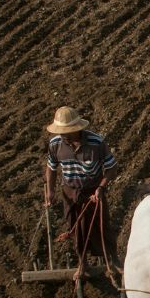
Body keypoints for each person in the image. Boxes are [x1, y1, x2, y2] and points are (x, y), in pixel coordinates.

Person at [44, 106, 116, 281]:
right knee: (75, 228)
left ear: (78, 129)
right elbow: (51, 168)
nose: (64, 135)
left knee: (101, 226)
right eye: (61, 132)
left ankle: (112, 261)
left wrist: (101, 187)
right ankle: (82, 263)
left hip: (92, 190)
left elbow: (111, 168)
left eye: (67, 131)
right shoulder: (56, 144)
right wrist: (51, 190)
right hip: (70, 191)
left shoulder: (96, 143)